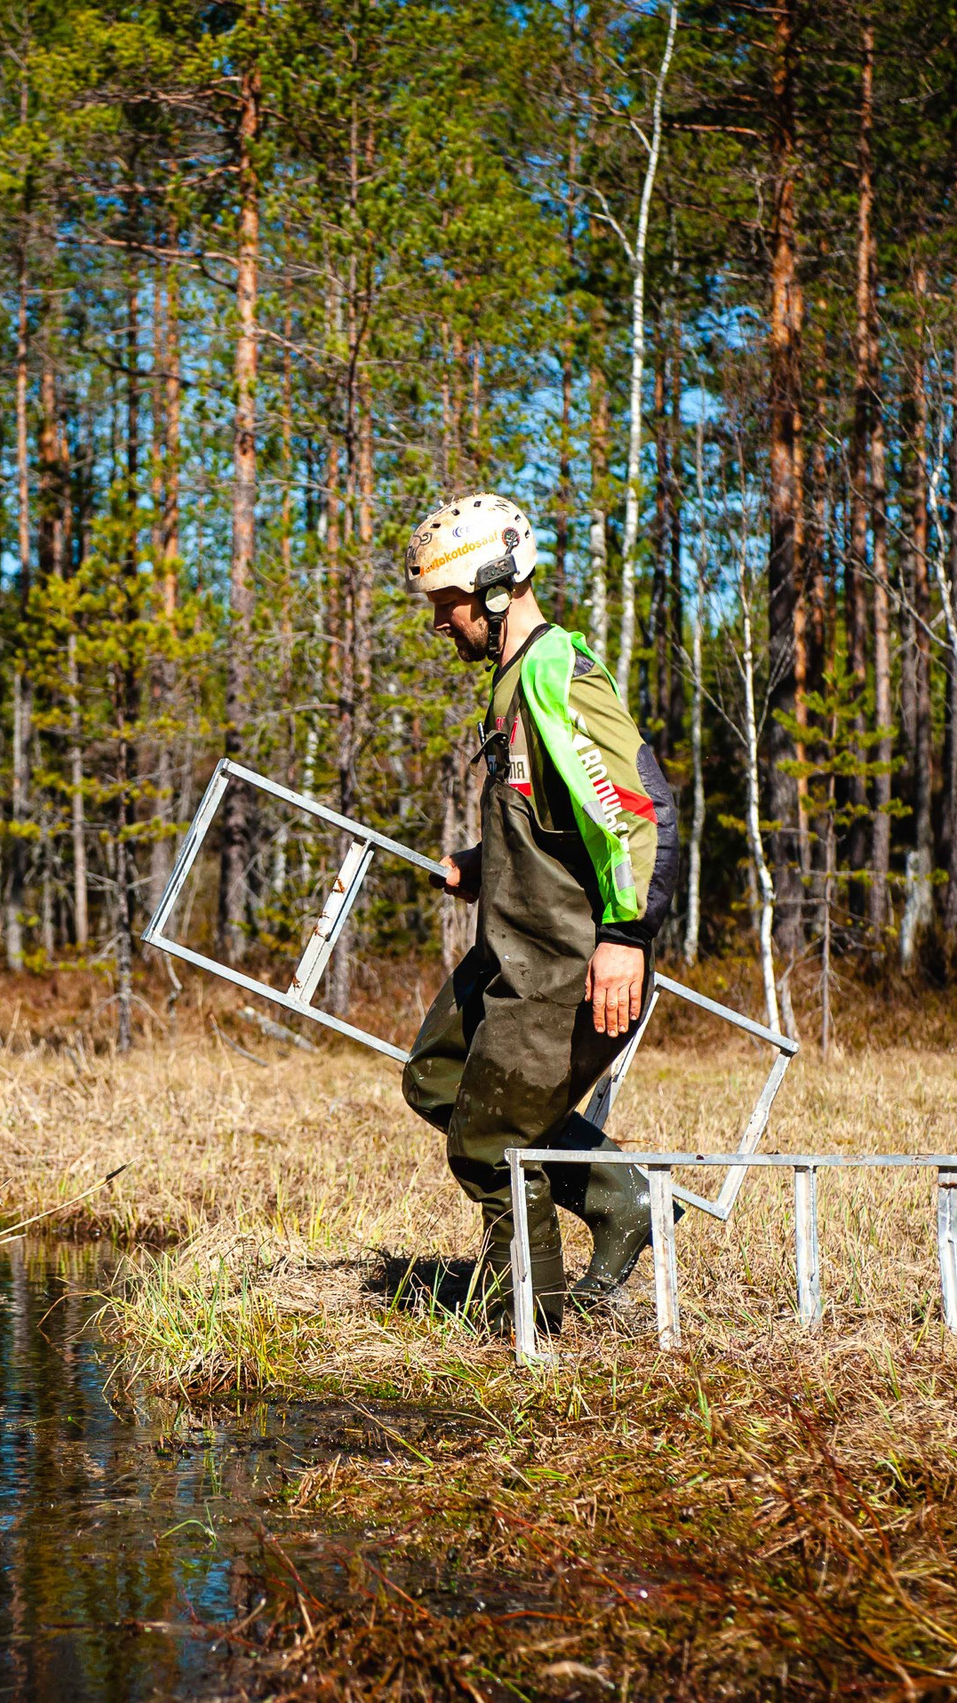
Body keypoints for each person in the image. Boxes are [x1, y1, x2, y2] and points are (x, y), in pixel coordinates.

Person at [398, 492, 678, 1331]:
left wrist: (626, 937)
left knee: (488, 1142)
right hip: (511, 946)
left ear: (490, 591)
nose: (439, 627)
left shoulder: (556, 674)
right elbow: (559, 815)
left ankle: (528, 1330)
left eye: (445, 608)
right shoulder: (511, 686)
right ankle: (622, 1197)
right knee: (437, 1077)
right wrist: (483, 867)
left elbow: (639, 813)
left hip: (567, 963)